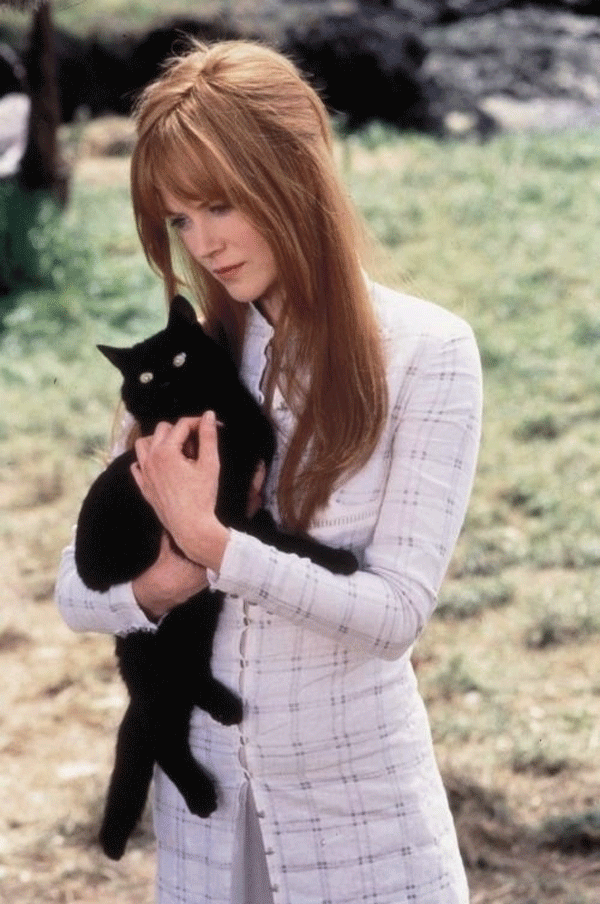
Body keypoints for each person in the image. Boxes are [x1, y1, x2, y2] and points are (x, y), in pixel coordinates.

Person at [56, 39, 483, 904]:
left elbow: (395, 615)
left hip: (360, 823)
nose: (203, 242)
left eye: (220, 204)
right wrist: (165, 581)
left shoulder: (428, 351)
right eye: (180, 219)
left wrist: (217, 546)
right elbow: (74, 593)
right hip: (204, 826)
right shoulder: (188, 363)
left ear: (296, 173)